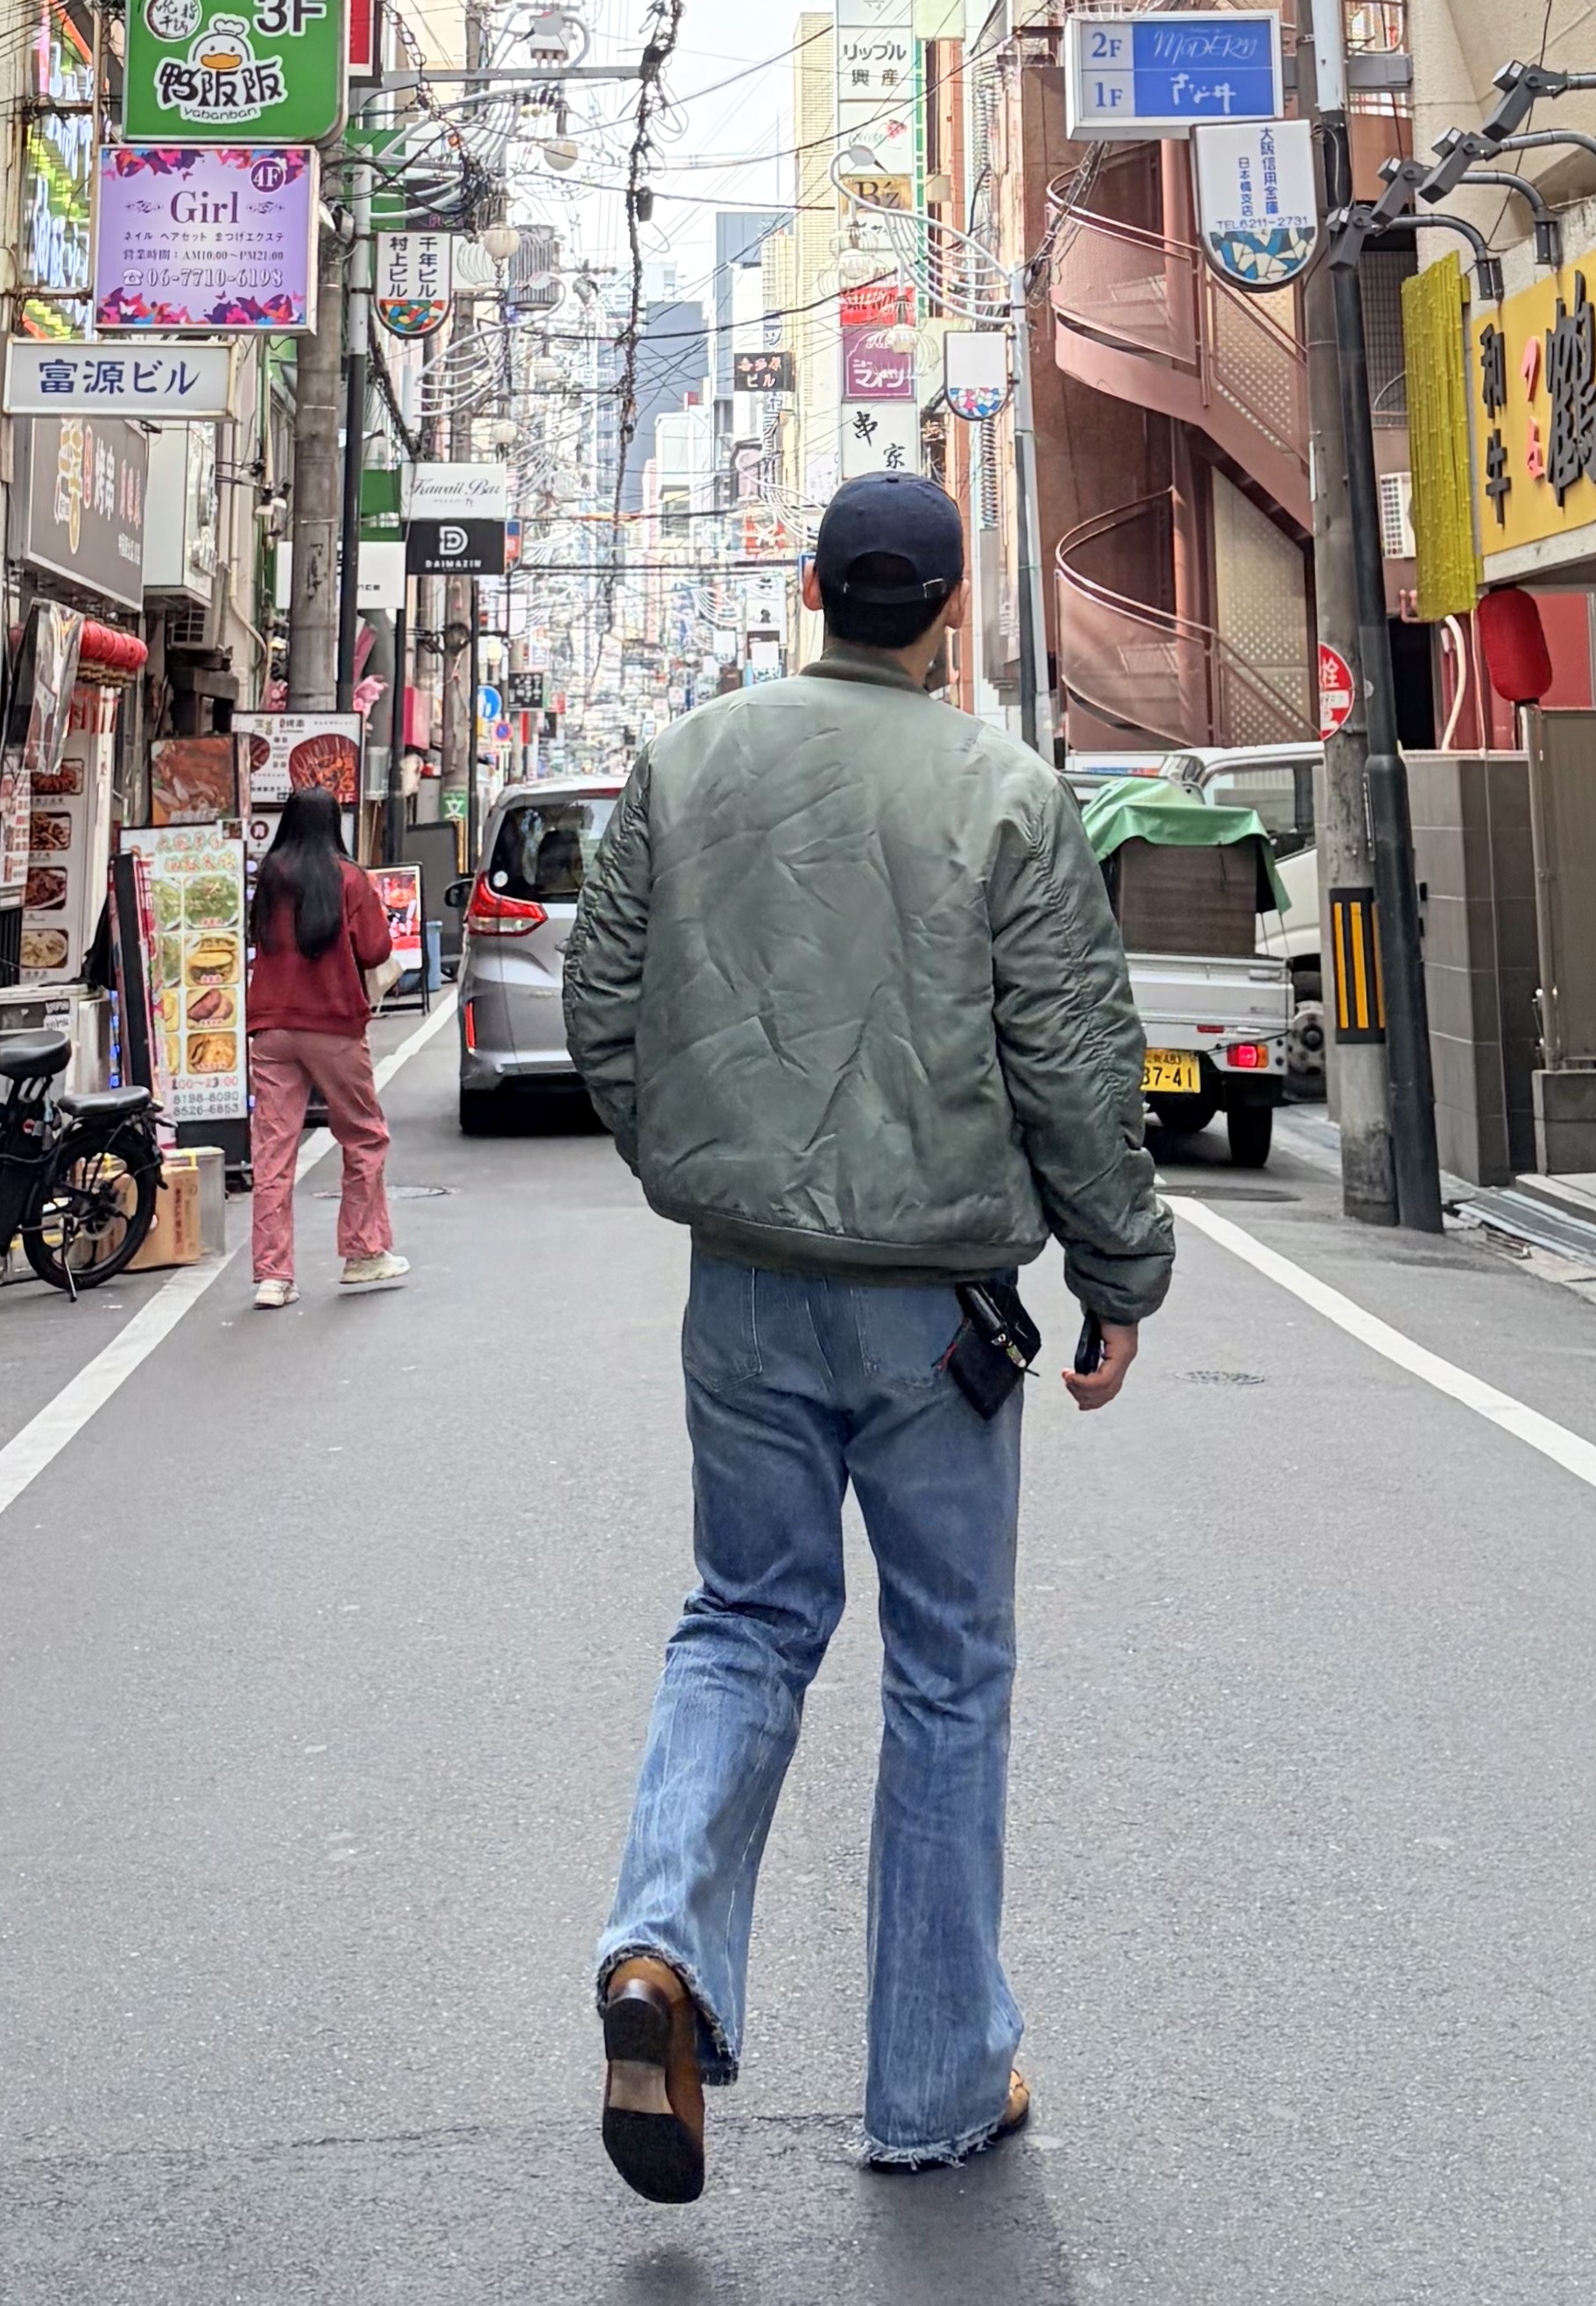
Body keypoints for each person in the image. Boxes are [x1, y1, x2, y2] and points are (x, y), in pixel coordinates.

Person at [564, 473, 1174, 2201]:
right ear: (950, 607)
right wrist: (1117, 1272)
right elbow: (1072, 1062)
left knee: (744, 1617)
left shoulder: (690, 762)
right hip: (944, 1308)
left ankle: (659, 1946)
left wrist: (698, 1160)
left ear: (817, 590)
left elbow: (608, 1012)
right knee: (947, 1666)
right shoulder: (1005, 790)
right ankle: (929, 2083)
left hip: (743, 1282)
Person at [244, 787, 407, 1310]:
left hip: (271, 1026)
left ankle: (273, 1276)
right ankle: (362, 1251)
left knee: (273, 1151)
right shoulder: (350, 879)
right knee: (363, 1135)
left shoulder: (270, 877)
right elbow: (376, 949)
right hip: (333, 1025)